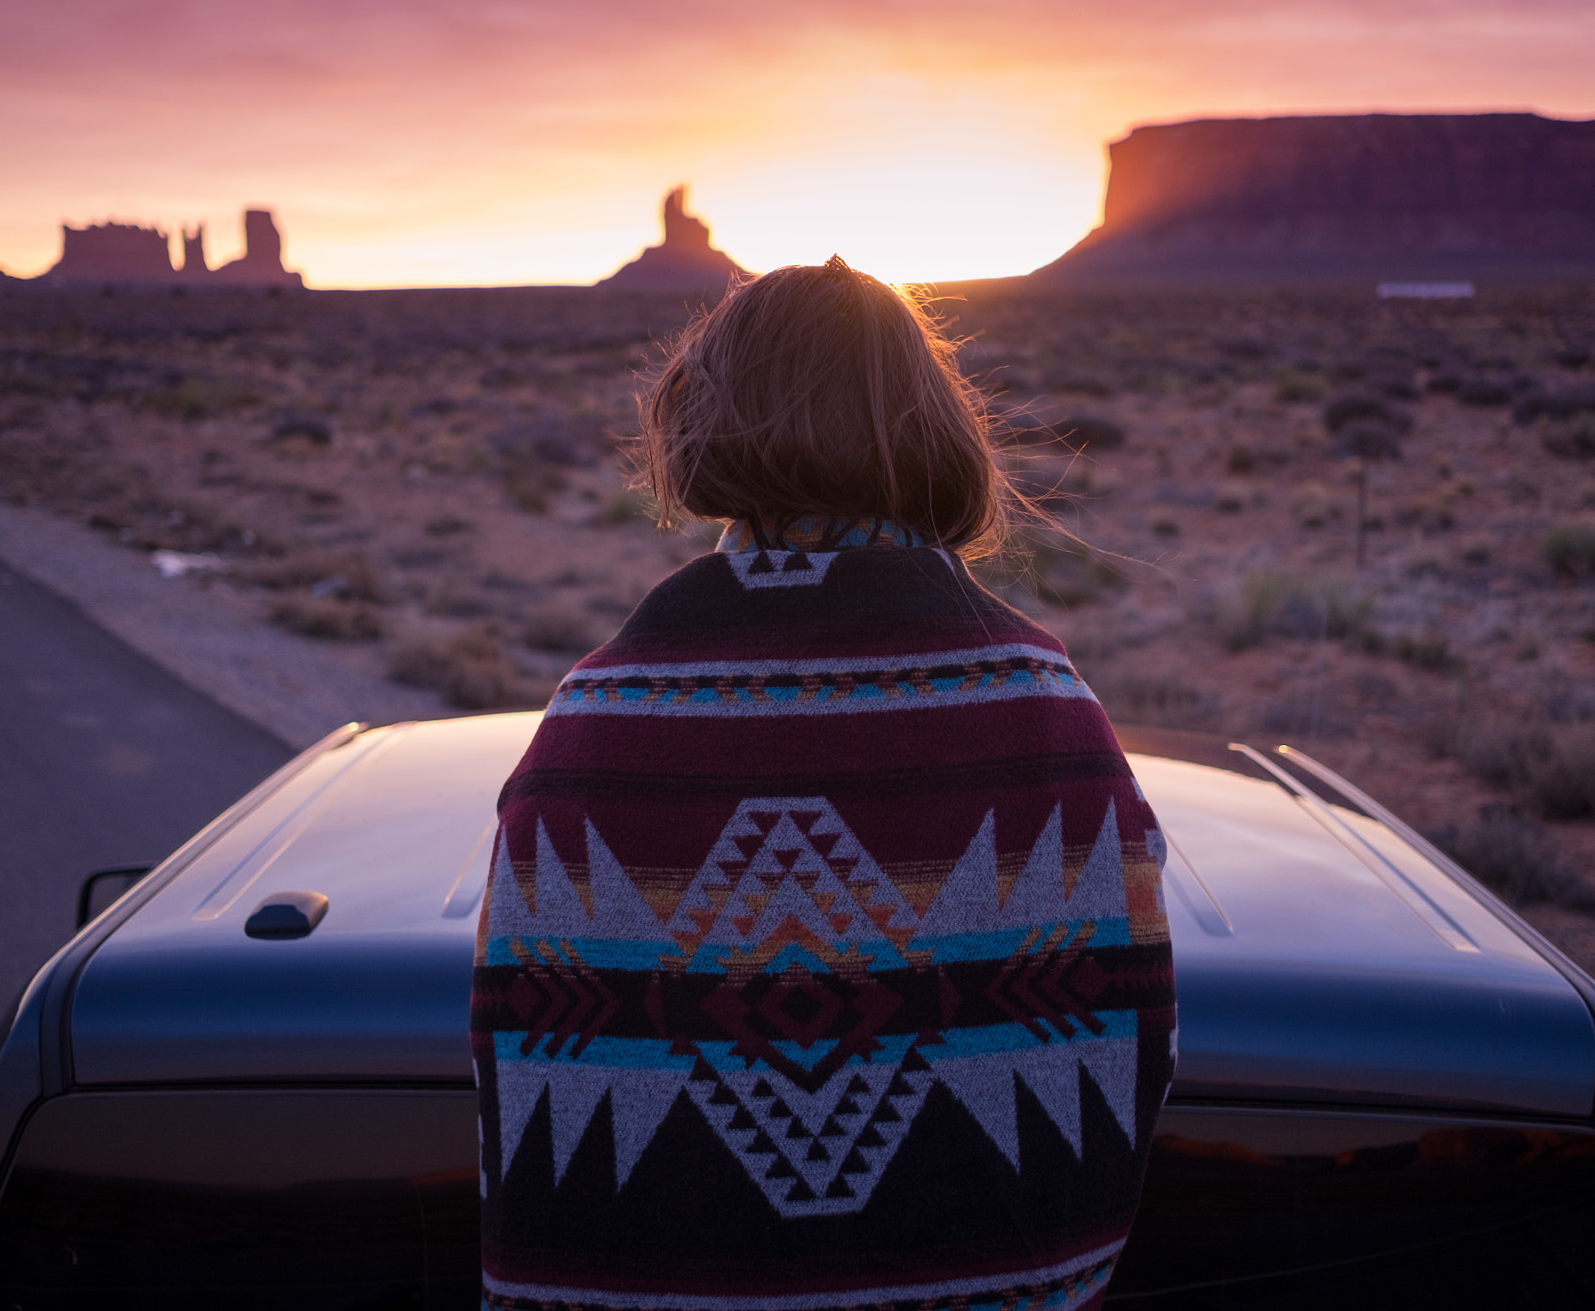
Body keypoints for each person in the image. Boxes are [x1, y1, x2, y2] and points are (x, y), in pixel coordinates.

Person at [472, 258, 1176, 1311]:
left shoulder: (595, 721)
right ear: (936, 424)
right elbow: (1129, 1052)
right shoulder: (1039, 709)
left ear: (693, 424)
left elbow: (530, 1071)